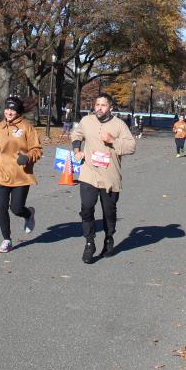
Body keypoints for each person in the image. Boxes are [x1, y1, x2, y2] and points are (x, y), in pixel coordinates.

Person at [71, 93, 136, 264]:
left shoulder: (119, 125)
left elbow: (131, 147)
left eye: (103, 105)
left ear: (110, 108)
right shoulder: (86, 121)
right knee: (86, 208)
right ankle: (89, 242)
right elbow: (76, 135)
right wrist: (77, 151)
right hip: (89, 173)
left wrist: (113, 140)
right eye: (97, 104)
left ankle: (108, 237)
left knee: (109, 212)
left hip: (110, 176)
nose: (99, 108)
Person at [0, 96, 42, 253]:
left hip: (21, 175)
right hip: (2, 173)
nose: (9, 112)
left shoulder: (27, 128)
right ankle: (6, 240)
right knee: (1, 207)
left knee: (16, 208)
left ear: (18, 111)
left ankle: (28, 214)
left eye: (12, 110)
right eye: (7, 109)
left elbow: (37, 149)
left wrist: (27, 157)